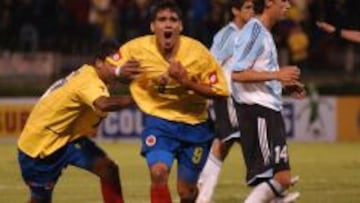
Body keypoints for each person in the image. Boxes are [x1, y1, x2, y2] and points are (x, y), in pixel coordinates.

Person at [113, 1, 229, 202]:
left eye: (173, 20)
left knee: (186, 191)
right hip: (160, 123)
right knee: (158, 173)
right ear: (153, 26)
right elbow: (108, 67)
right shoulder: (137, 48)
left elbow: (221, 92)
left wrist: (186, 82)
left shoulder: (198, 53)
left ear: (180, 26)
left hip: (196, 127)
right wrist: (119, 72)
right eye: (162, 20)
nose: (167, 25)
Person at [17, 40, 140, 203]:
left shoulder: (91, 77)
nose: (119, 70)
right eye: (113, 65)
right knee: (40, 200)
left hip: (68, 139)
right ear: (99, 63)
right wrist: (139, 98)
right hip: (40, 147)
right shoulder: (88, 80)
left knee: (108, 169)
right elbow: (103, 103)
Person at [229, 0, 306, 202]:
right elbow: (237, 73)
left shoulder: (264, 32)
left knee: (279, 180)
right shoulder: (254, 31)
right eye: (284, 1)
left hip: (267, 109)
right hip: (257, 111)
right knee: (280, 179)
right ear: (269, 2)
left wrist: (283, 85)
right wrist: (277, 75)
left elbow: (259, 72)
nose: (288, 6)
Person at [195, 1, 255, 203]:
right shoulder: (228, 34)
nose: (252, 11)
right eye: (247, 7)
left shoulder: (251, 33)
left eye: (254, 7)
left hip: (243, 98)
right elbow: (211, 63)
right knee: (250, 141)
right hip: (228, 97)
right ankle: (273, 190)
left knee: (222, 145)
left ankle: (201, 193)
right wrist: (211, 92)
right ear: (235, 10)